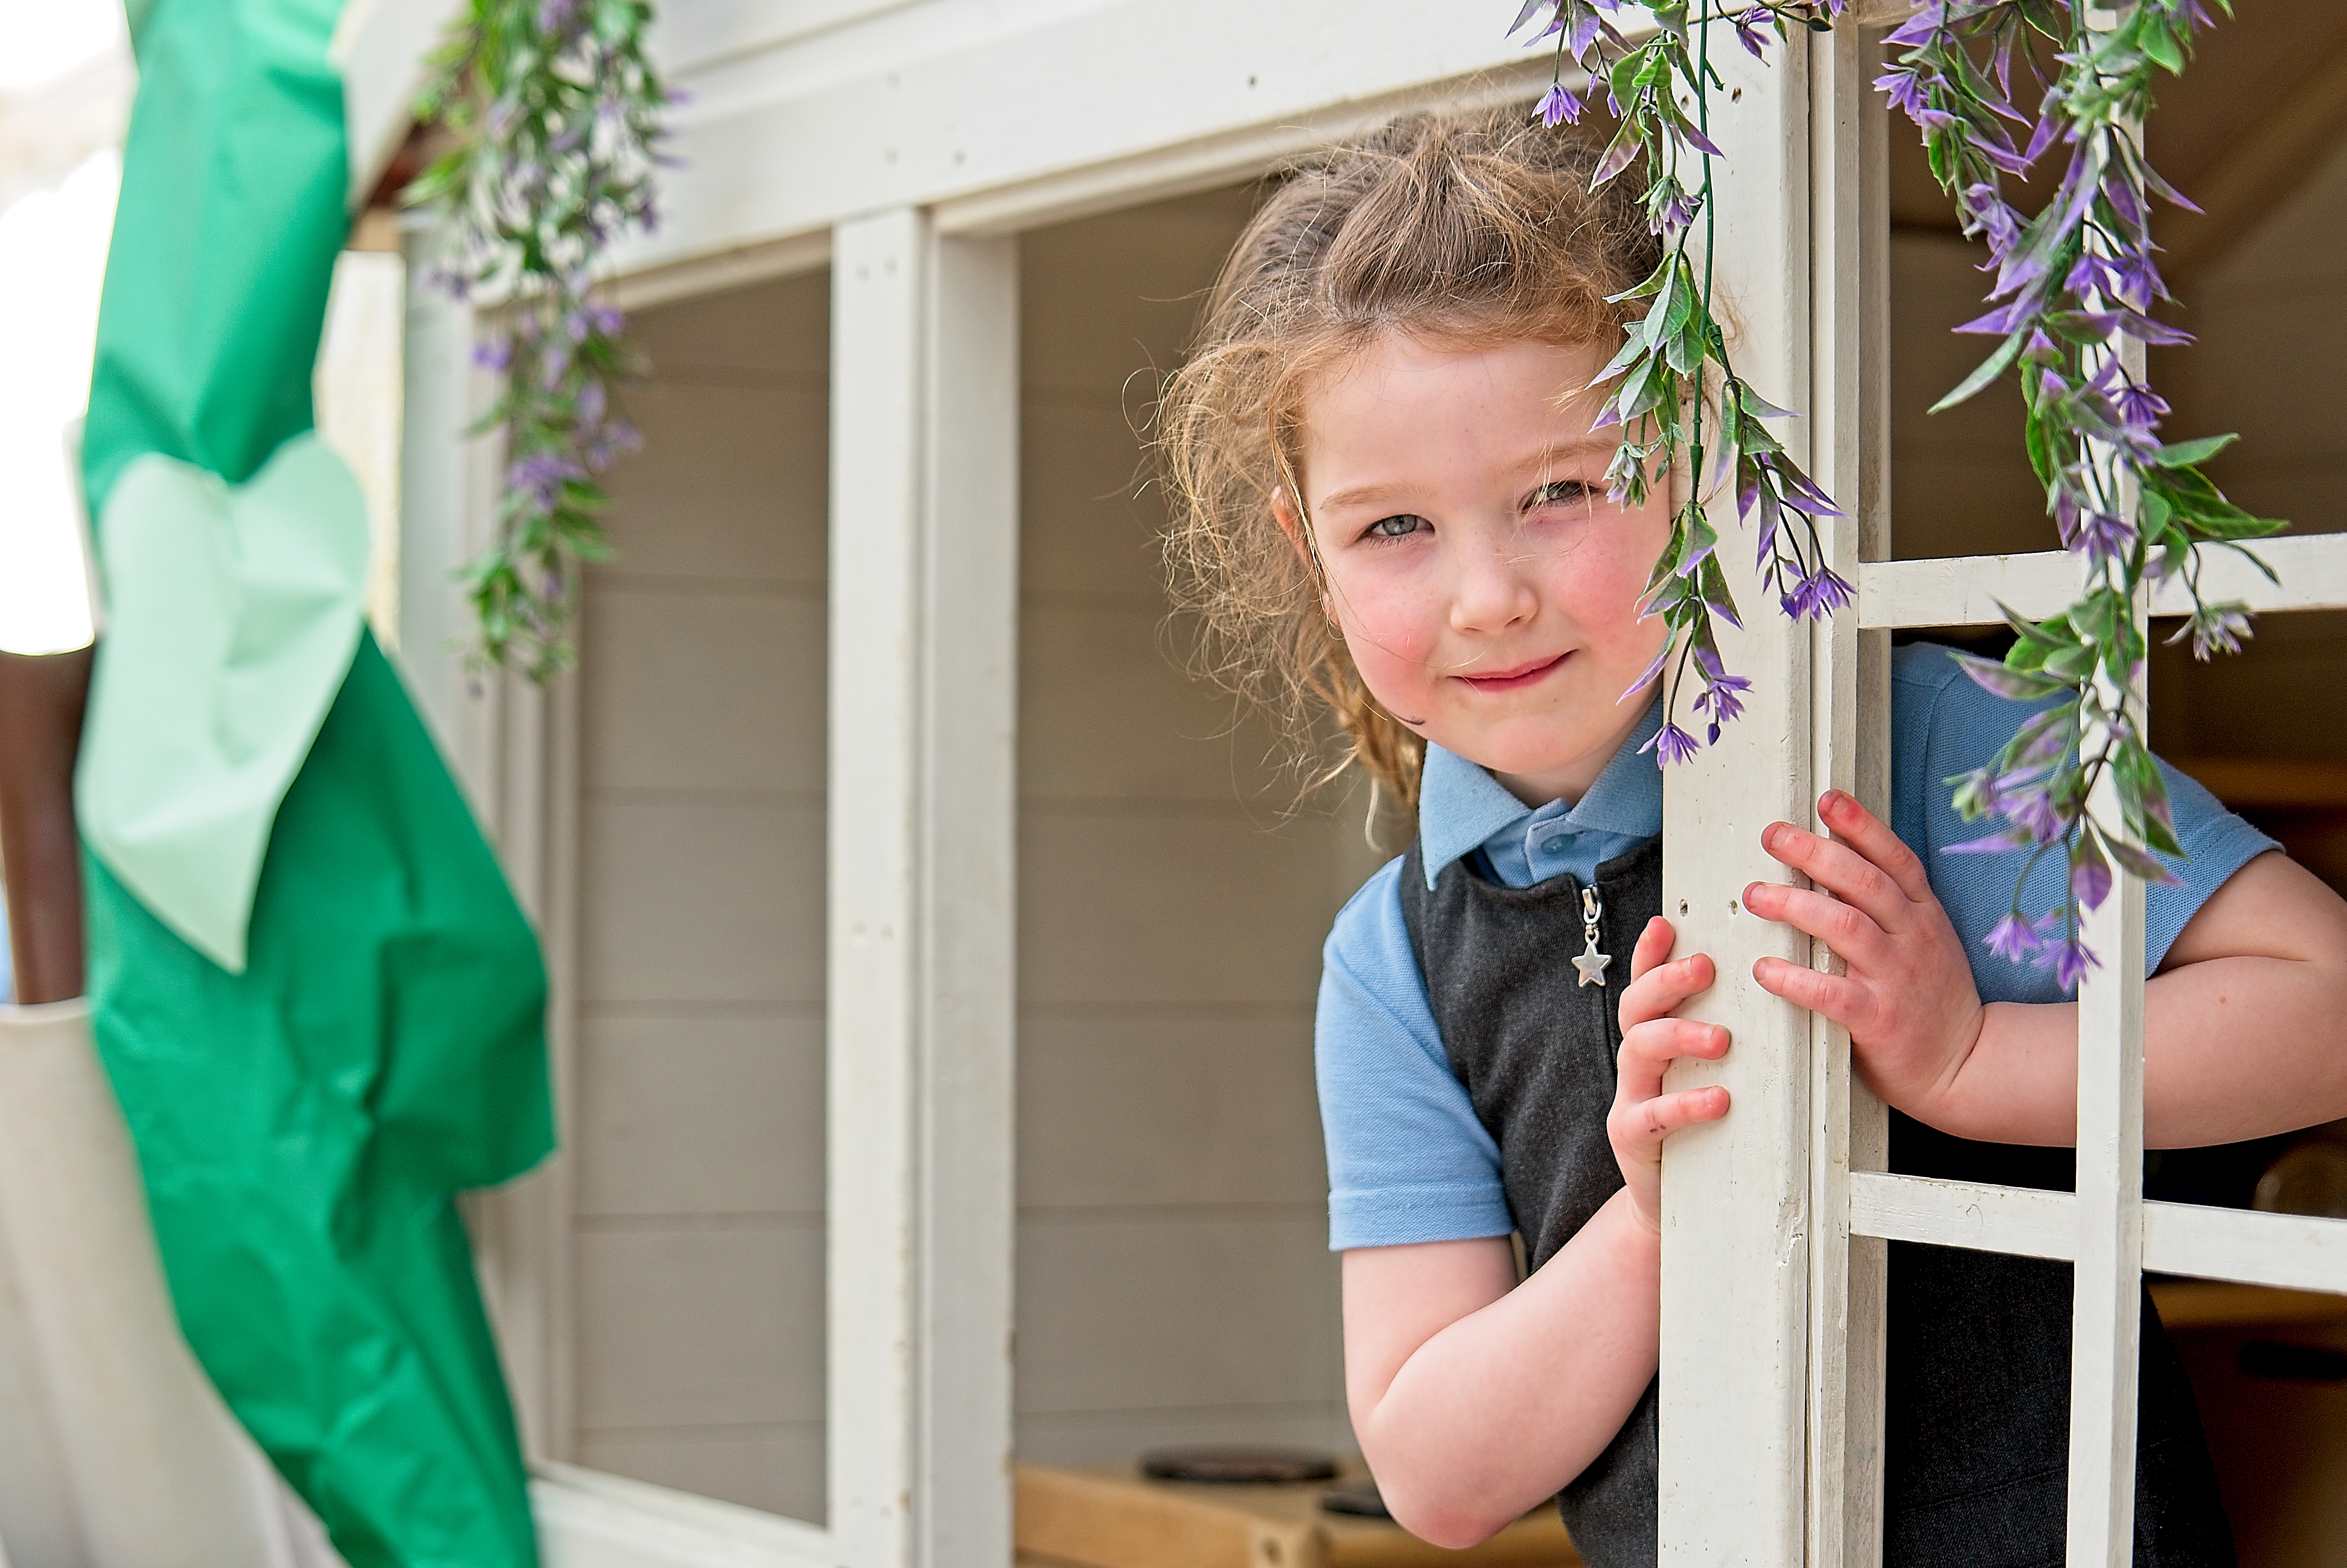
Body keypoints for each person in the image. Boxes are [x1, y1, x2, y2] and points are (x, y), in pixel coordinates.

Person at [1157, 110, 2347, 1568]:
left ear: (1695, 452)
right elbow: (1439, 1474)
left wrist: (1974, 1062)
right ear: (1306, 550)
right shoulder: (1393, 956)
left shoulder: (1921, 733)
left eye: (1563, 491)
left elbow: (2328, 1002)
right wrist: (1660, 1223)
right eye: (1393, 526)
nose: (1487, 597)